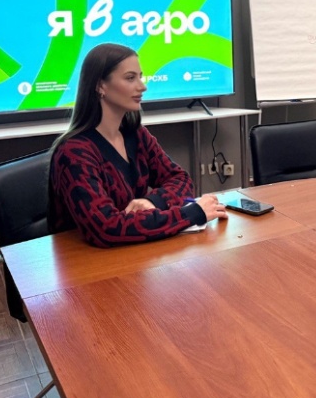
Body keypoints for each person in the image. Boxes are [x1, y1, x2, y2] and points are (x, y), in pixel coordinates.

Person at [49, 43, 228, 247]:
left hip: (131, 253)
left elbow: (180, 178)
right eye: (130, 78)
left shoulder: (136, 134)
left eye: (140, 77)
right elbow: (106, 228)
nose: (142, 87)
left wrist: (153, 202)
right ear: (100, 86)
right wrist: (191, 214)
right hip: (85, 261)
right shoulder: (74, 152)